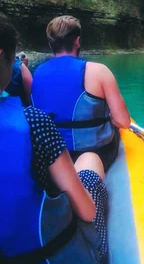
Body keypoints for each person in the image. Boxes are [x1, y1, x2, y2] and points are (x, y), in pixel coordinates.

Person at [0, 12, 108, 264]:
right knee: (89, 163)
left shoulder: (41, 76)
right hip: (49, 255)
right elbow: (87, 210)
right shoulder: (35, 122)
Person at [32, 15, 131, 172]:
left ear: (51, 44)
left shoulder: (37, 73)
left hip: (53, 156)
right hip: (94, 152)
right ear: (77, 41)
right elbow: (124, 122)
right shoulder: (98, 71)